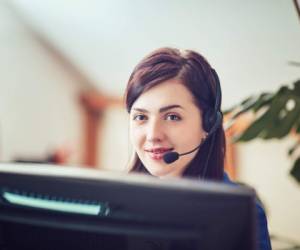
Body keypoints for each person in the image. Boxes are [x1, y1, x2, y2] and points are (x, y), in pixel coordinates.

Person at [124, 47, 271, 250]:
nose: (153, 134)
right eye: (141, 117)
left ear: (207, 125)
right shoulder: (116, 203)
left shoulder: (241, 214)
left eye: (172, 117)